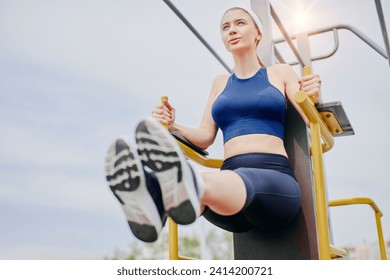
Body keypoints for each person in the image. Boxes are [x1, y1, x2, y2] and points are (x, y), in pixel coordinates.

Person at [105, 6, 322, 242]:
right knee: (204, 188)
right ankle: (154, 199)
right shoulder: (220, 83)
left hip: (275, 186)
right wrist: (172, 126)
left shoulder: (280, 73)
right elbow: (205, 136)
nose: (232, 30)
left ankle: (157, 190)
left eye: (240, 23)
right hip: (229, 194)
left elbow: (310, 119)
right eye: (225, 27)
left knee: (201, 184)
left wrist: (314, 97)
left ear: (258, 33)